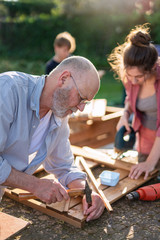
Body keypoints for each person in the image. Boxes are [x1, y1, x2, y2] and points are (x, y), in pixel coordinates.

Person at [0, 56, 105, 222]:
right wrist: (35, 185)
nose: (81, 108)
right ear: (63, 79)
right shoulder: (7, 90)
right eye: (81, 98)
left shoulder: (59, 117)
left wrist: (87, 191)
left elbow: (64, 166)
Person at [108, 24, 160, 180]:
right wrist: (125, 114)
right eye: (129, 76)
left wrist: (151, 162)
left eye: (137, 77)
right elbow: (130, 99)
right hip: (145, 135)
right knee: (143, 176)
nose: (132, 81)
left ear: (151, 67)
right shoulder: (130, 76)